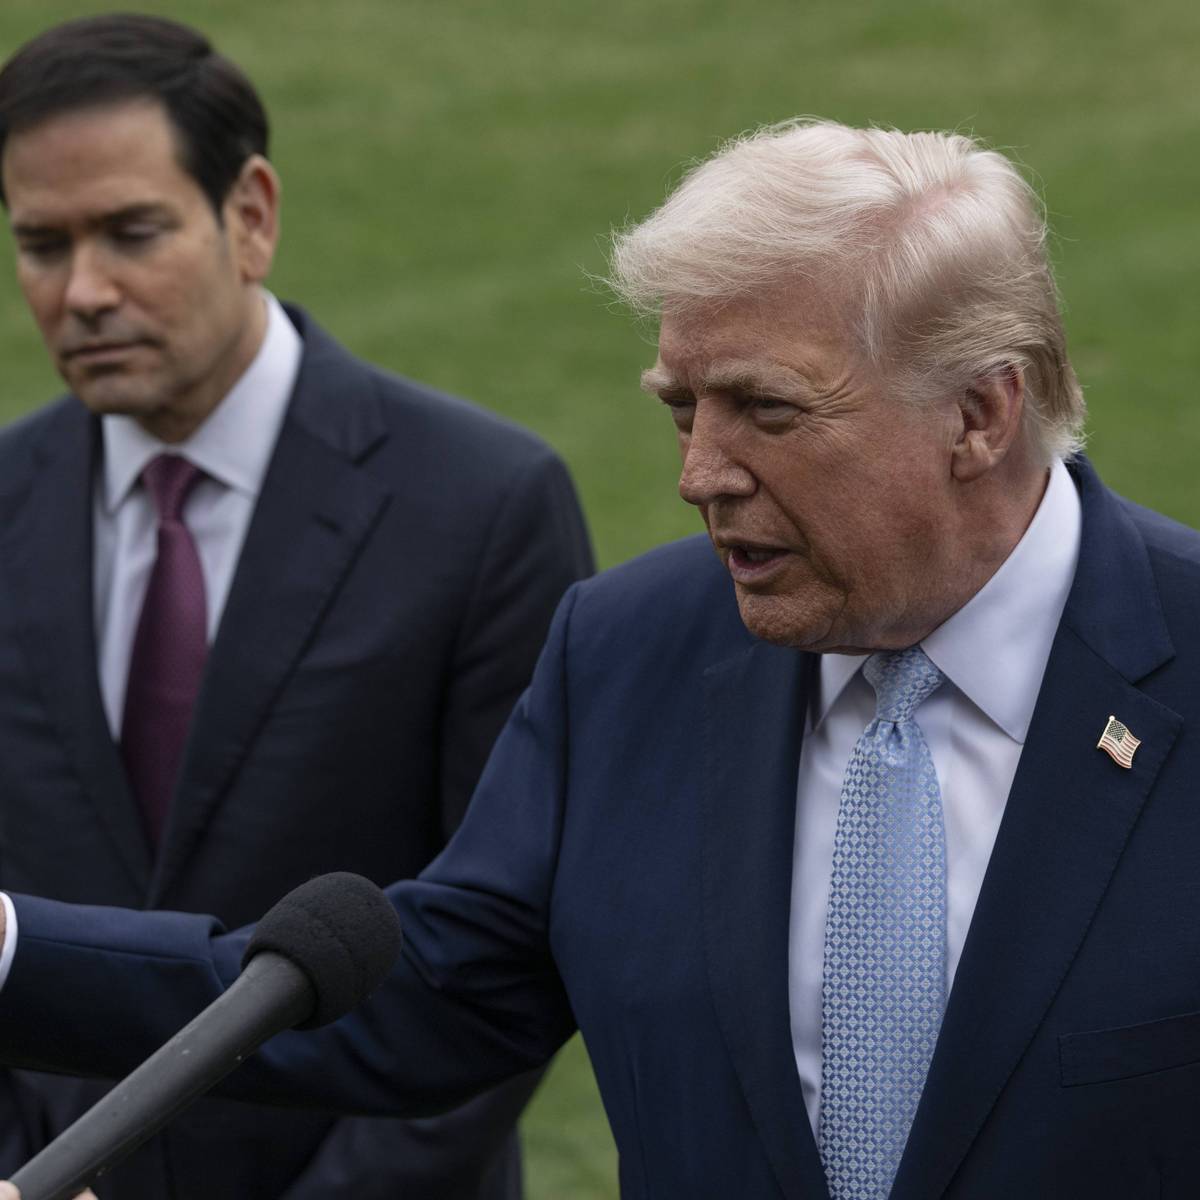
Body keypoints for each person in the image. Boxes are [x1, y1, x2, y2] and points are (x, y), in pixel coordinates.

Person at [0, 118, 1195, 1200]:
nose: (700, 475)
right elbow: (416, 998)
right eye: (683, 410)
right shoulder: (633, 649)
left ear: (981, 416)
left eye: (766, 411)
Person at [0, 13, 592, 1200]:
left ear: (252, 214)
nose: (86, 291)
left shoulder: (483, 506)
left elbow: (512, 951)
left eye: (131, 232)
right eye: (42, 244)